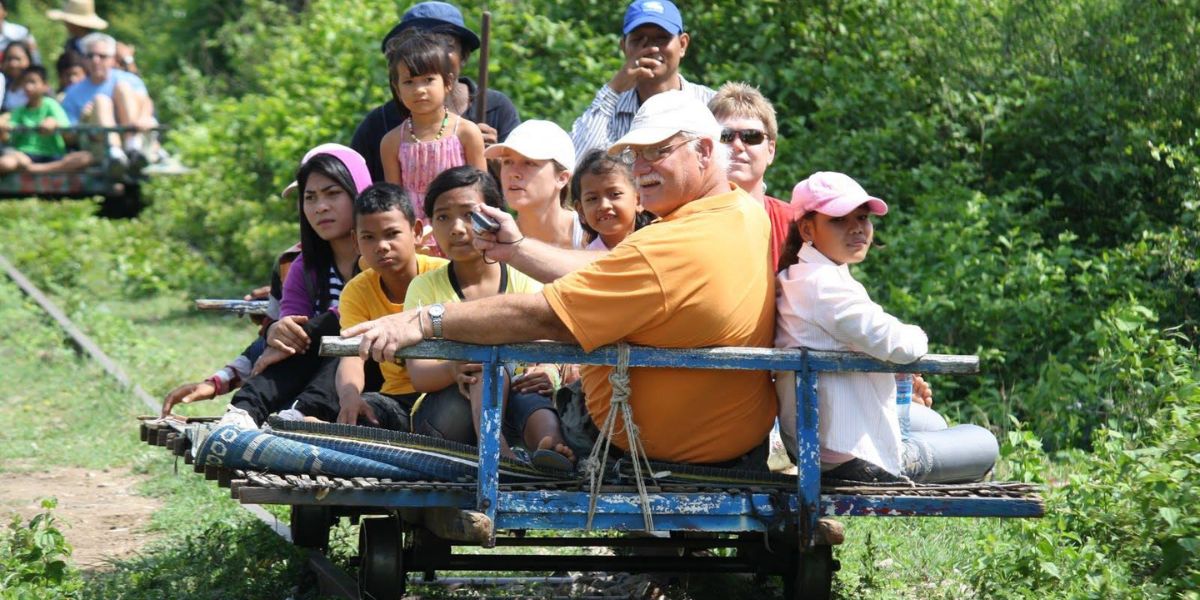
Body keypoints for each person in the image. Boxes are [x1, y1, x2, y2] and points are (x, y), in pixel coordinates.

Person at [344, 92, 777, 466]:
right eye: (634, 155)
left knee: (523, 396)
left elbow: (546, 315)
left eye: (657, 151)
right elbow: (616, 273)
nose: (641, 167)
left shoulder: (672, 244)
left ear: (704, 150)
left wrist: (421, 321)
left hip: (658, 447)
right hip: (730, 436)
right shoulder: (739, 212)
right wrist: (516, 250)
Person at [775, 171, 998, 483]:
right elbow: (901, 345)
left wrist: (892, 379)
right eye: (839, 220)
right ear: (807, 228)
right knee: (983, 441)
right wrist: (918, 334)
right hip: (844, 454)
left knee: (932, 422)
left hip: (822, 437)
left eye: (863, 217)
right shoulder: (821, 286)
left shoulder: (804, 276)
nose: (857, 228)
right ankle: (902, 461)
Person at [388, 167, 574, 467]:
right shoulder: (424, 287)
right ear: (431, 226)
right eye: (443, 217)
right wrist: (453, 369)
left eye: (468, 214)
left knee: (531, 395)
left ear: (494, 217)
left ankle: (550, 446)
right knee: (485, 367)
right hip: (446, 423)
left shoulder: (525, 278)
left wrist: (549, 372)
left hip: (518, 406)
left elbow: (552, 348)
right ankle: (496, 450)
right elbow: (419, 375)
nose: (457, 228)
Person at [220, 144, 373, 428]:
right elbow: (293, 328)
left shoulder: (383, 258)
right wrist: (280, 332)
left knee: (343, 343)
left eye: (333, 194)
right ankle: (242, 413)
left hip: (372, 374)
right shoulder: (303, 266)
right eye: (310, 198)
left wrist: (306, 331)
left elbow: (360, 320)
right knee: (293, 347)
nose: (321, 207)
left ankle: (302, 415)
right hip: (311, 367)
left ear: (360, 194)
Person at [351, 1, 521, 182]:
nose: (430, 54)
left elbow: (526, 182)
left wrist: (498, 160)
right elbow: (354, 187)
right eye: (418, 46)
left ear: (464, 55)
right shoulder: (380, 124)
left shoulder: (496, 107)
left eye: (445, 44)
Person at [335, 183, 448, 432]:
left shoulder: (444, 274)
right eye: (369, 237)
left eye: (392, 234)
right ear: (356, 241)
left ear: (416, 232)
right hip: (396, 400)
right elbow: (352, 356)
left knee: (448, 418)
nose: (381, 246)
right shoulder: (356, 291)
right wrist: (350, 397)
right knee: (363, 414)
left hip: (445, 391)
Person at [569, 0, 714, 162]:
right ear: (624, 47)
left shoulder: (710, 103)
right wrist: (613, 88)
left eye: (661, 38)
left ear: (682, 45)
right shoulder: (609, 111)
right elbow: (575, 165)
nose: (651, 49)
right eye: (639, 40)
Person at [379, 30, 486, 225]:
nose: (419, 90)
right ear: (397, 88)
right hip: (417, 241)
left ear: (448, 82)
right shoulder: (392, 142)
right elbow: (395, 203)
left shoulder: (466, 133)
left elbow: (483, 193)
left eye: (428, 80)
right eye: (409, 82)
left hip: (462, 231)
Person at [708, 82, 793, 269]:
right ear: (706, 148)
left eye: (751, 136)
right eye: (725, 136)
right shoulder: (686, 223)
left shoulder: (794, 224)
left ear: (771, 150)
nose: (737, 145)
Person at [485, 119, 586, 249]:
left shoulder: (592, 236)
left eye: (529, 163)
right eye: (507, 162)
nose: (513, 173)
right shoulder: (494, 243)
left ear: (562, 178)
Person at [59, 33, 157, 164]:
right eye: (90, 56)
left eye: (102, 56)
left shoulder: (130, 80)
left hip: (136, 137)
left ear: (113, 59)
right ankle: (114, 153)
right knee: (101, 100)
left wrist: (144, 117)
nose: (96, 60)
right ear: (84, 60)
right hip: (97, 145)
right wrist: (83, 119)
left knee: (123, 89)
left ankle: (133, 147)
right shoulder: (72, 92)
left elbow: (146, 102)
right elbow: (68, 136)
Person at [0, 66, 92, 174]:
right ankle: (38, 169)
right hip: (25, 156)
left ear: (45, 86)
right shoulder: (19, 110)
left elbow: (69, 135)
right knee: (6, 162)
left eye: (33, 82)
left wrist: (55, 124)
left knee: (86, 157)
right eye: (25, 83)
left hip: (52, 156)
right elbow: (8, 138)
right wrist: (3, 130)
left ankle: (34, 170)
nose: (28, 87)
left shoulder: (51, 105)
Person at [570, 148, 653, 251]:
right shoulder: (586, 262)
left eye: (615, 194)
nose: (604, 205)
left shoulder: (656, 244)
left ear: (639, 199)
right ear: (581, 211)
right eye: (592, 198)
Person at [1, 40, 32, 110]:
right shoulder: (3, 85)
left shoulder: (39, 86)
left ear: (29, 60)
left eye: (17, 59)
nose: (13, 64)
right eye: (9, 59)